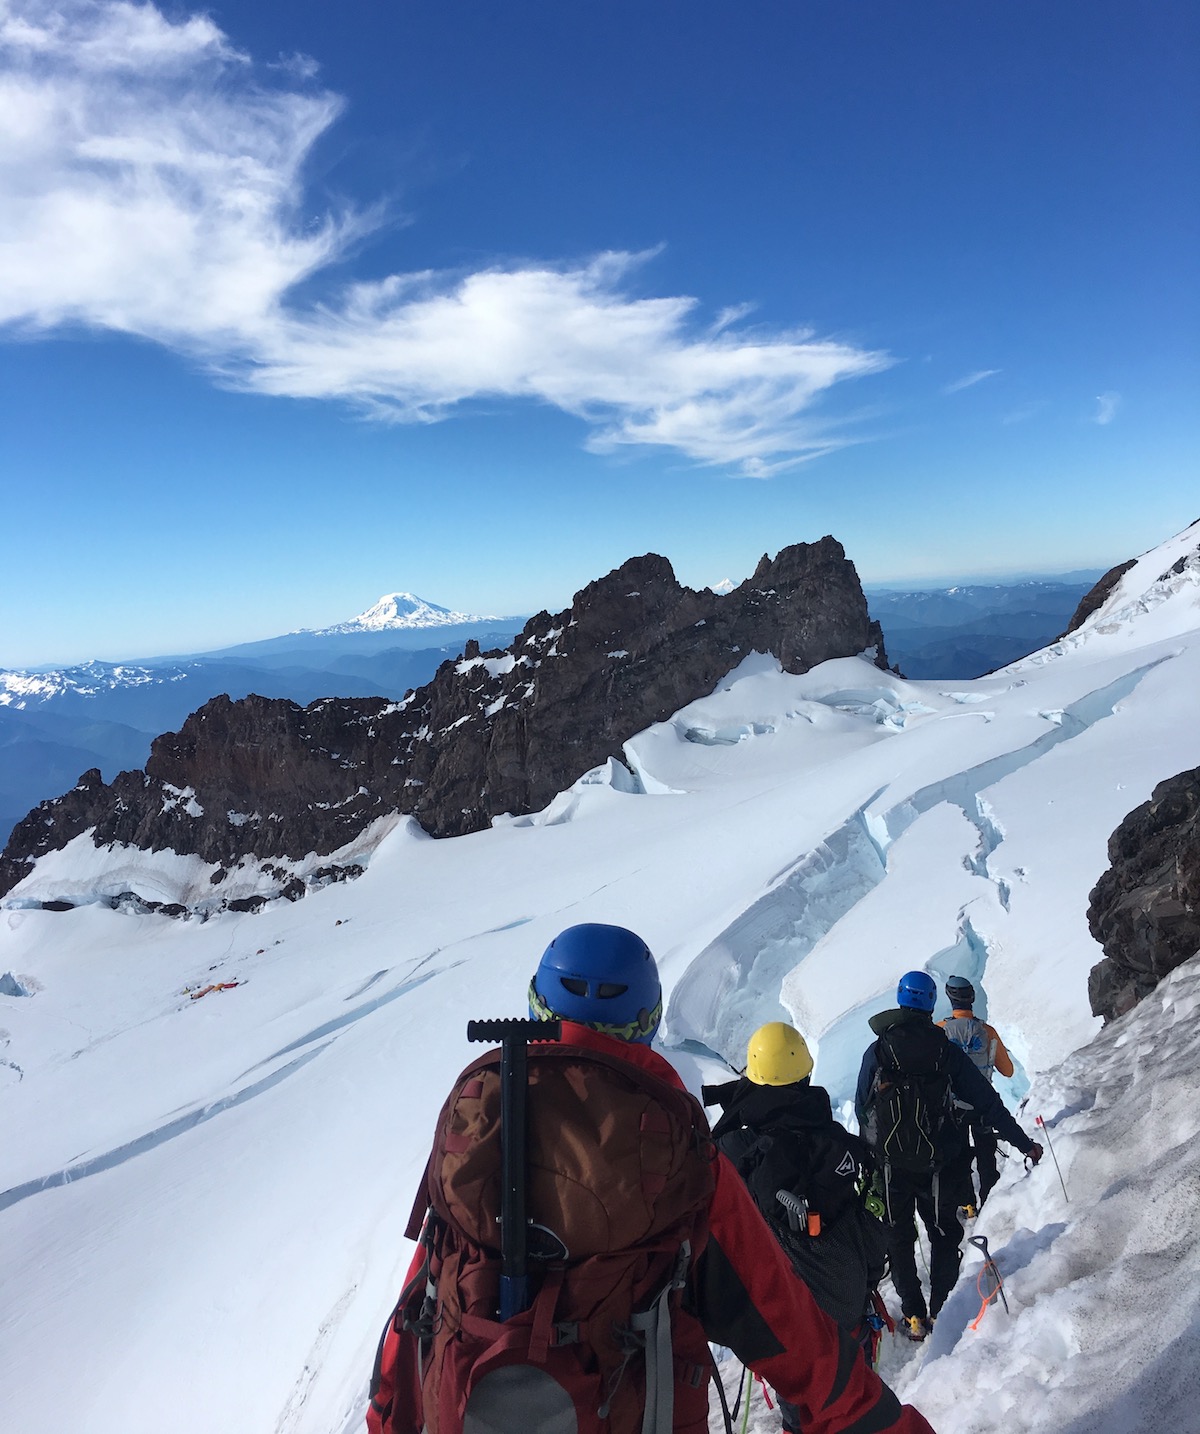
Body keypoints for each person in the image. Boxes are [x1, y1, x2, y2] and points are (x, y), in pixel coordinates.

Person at [369, 925, 936, 1434]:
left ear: (537, 1006)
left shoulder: (479, 1122)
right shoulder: (676, 1149)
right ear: (646, 1024)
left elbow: (421, 1299)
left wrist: (386, 1416)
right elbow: (785, 1323)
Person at [704, 1022, 890, 1434]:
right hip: (850, 1299)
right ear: (805, 1075)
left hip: (791, 1319)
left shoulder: (735, 1149)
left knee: (804, 1411)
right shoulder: (836, 1141)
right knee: (854, 1405)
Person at [855, 970, 1042, 1343]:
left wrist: (874, 1155)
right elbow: (986, 1102)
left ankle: (912, 1316)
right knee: (942, 1235)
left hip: (891, 1165)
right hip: (939, 1161)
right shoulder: (945, 1051)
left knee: (898, 1236)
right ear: (930, 1003)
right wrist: (1025, 1144)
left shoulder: (878, 1050)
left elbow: (863, 1108)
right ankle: (941, 1310)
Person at [937, 975, 1016, 1215]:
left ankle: (968, 1205)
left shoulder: (939, 1030)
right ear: (971, 998)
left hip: (953, 1108)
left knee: (959, 1156)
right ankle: (990, 1200)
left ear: (950, 998)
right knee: (986, 1154)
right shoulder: (987, 1031)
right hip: (983, 1106)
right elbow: (1008, 1071)